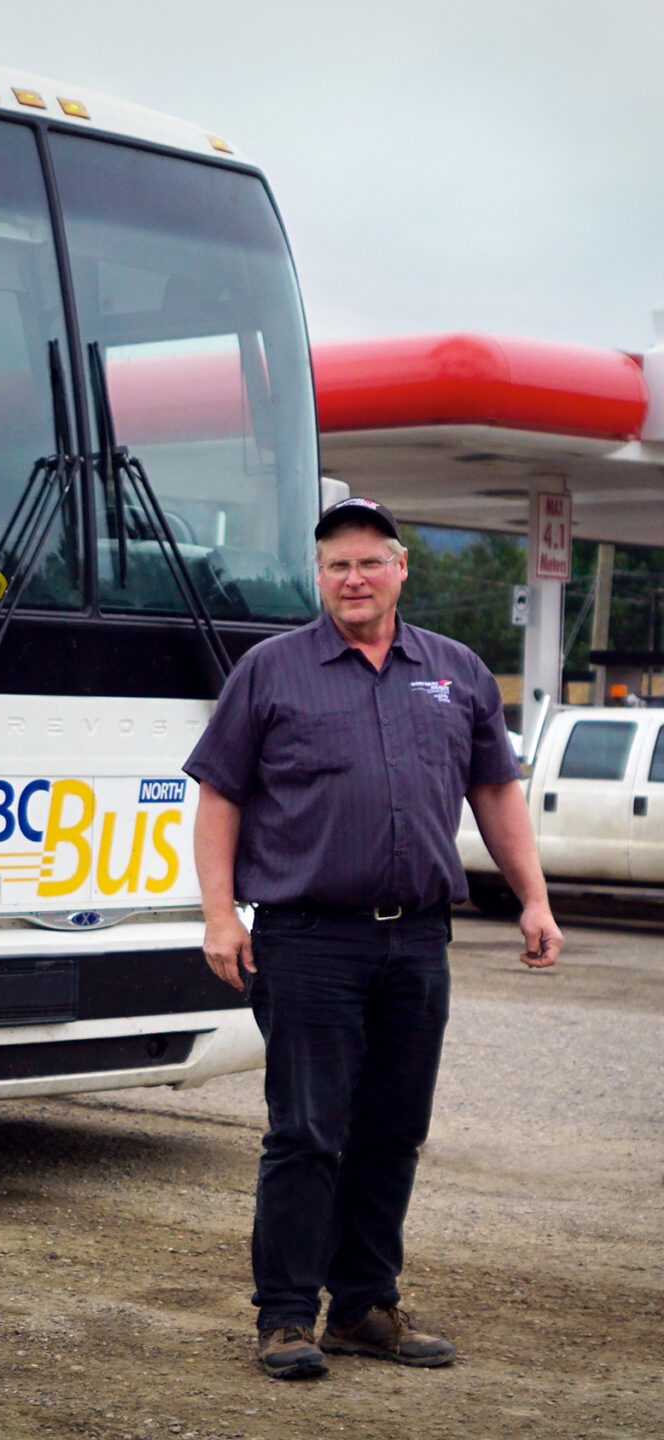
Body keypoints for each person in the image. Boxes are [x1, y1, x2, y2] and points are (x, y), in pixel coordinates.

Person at [182, 497, 561, 1380]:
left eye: (368, 562)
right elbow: (220, 798)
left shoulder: (457, 672)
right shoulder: (271, 672)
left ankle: (363, 1307)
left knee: (393, 1130)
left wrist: (534, 900)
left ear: (400, 570)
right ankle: (284, 1317)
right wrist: (217, 913)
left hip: (419, 941)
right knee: (309, 1131)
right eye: (335, 566)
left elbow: (496, 794)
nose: (352, 579)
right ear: (318, 578)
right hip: (309, 938)